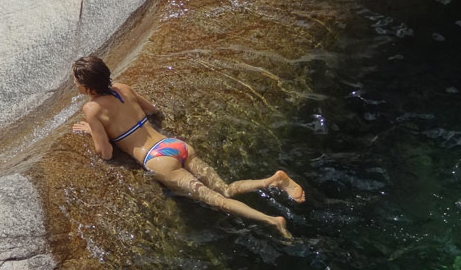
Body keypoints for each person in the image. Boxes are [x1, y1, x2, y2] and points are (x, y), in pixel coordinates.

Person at [71, 55, 304, 238]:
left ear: (87, 85)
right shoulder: (123, 87)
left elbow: (106, 153)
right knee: (226, 188)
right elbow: (151, 109)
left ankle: (272, 220)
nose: (74, 83)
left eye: (76, 80)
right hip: (174, 144)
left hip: (158, 160)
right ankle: (272, 181)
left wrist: (94, 130)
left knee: (219, 201)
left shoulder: (91, 109)